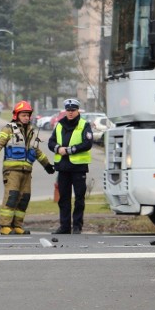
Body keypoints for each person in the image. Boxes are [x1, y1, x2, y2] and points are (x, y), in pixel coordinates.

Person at [0, 100, 55, 235]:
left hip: (27, 171)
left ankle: (17, 225)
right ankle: (5, 225)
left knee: (24, 198)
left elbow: (37, 151)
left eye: (28, 115)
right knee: (12, 196)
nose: (26, 117)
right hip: (12, 171)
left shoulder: (31, 132)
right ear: (16, 115)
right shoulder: (8, 129)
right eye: (23, 115)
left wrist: (47, 165)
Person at [48, 98, 94, 234]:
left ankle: (77, 226)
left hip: (78, 168)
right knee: (64, 199)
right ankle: (65, 226)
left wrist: (70, 150)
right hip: (63, 167)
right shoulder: (60, 125)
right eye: (68, 110)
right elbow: (51, 142)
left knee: (79, 198)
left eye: (73, 110)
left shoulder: (84, 124)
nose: (70, 112)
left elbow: (88, 143)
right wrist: (57, 148)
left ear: (77, 110)